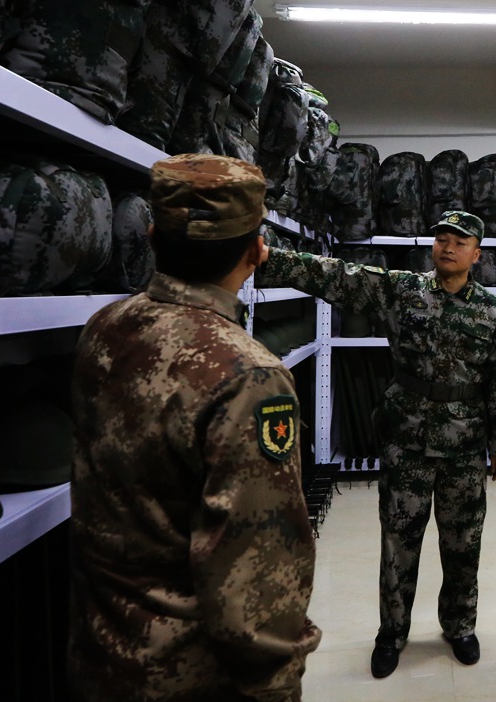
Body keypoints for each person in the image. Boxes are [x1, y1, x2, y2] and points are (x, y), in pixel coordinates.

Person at [68, 154, 320, 702]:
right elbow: (256, 573)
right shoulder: (248, 375)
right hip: (191, 675)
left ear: (152, 238)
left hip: (102, 655)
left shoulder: (104, 329)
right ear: (256, 252)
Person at [257, 210, 496, 679]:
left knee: (463, 543)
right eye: (441, 239)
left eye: (459, 242)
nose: (448, 247)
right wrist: (268, 258)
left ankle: (460, 626)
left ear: (476, 255)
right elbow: (337, 276)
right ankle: (392, 633)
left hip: (464, 444)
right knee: (399, 542)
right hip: (407, 440)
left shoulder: (491, 310)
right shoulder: (403, 290)